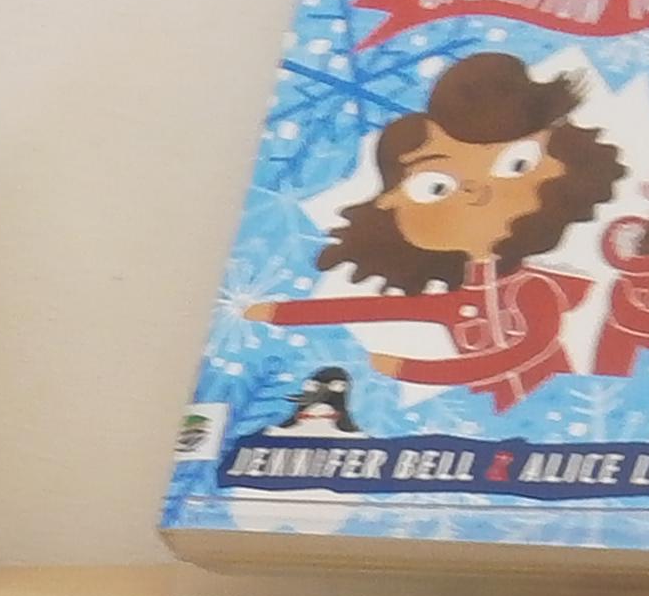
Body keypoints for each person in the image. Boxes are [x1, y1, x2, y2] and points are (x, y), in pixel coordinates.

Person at [241, 49, 623, 410]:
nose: (476, 191)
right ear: (390, 204)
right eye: (435, 186)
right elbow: (372, 308)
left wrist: (413, 370)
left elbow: (519, 355)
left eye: (517, 164)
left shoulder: (534, 291)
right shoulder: (459, 299)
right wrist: (279, 312)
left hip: (551, 418)